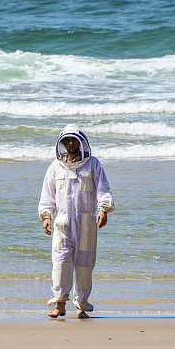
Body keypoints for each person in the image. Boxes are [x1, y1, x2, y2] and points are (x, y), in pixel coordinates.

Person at [38, 124, 114, 319]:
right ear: (62, 144)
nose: (70, 143)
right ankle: (60, 303)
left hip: (87, 221)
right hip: (62, 222)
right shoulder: (55, 166)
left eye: (74, 140)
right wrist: (47, 216)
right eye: (67, 141)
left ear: (81, 143)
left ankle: (81, 305)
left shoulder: (93, 164)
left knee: (84, 264)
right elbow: (48, 195)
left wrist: (103, 209)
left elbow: (103, 189)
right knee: (60, 262)